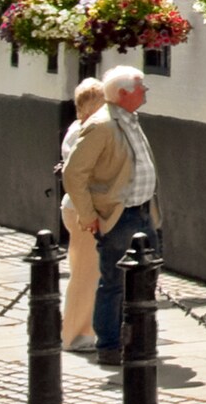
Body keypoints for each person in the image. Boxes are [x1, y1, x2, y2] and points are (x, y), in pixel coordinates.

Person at [62, 64, 162, 367]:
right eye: (140, 87)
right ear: (123, 94)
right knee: (113, 283)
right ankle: (109, 345)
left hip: (144, 212)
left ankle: (137, 339)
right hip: (119, 215)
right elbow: (73, 172)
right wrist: (88, 213)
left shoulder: (130, 120)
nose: (145, 91)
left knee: (146, 280)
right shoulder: (102, 124)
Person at [55, 78, 107, 351]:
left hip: (79, 206)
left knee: (88, 271)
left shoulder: (79, 128)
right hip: (82, 208)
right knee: (85, 273)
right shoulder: (84, 131)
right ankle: (76, 334)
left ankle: (87, 329)